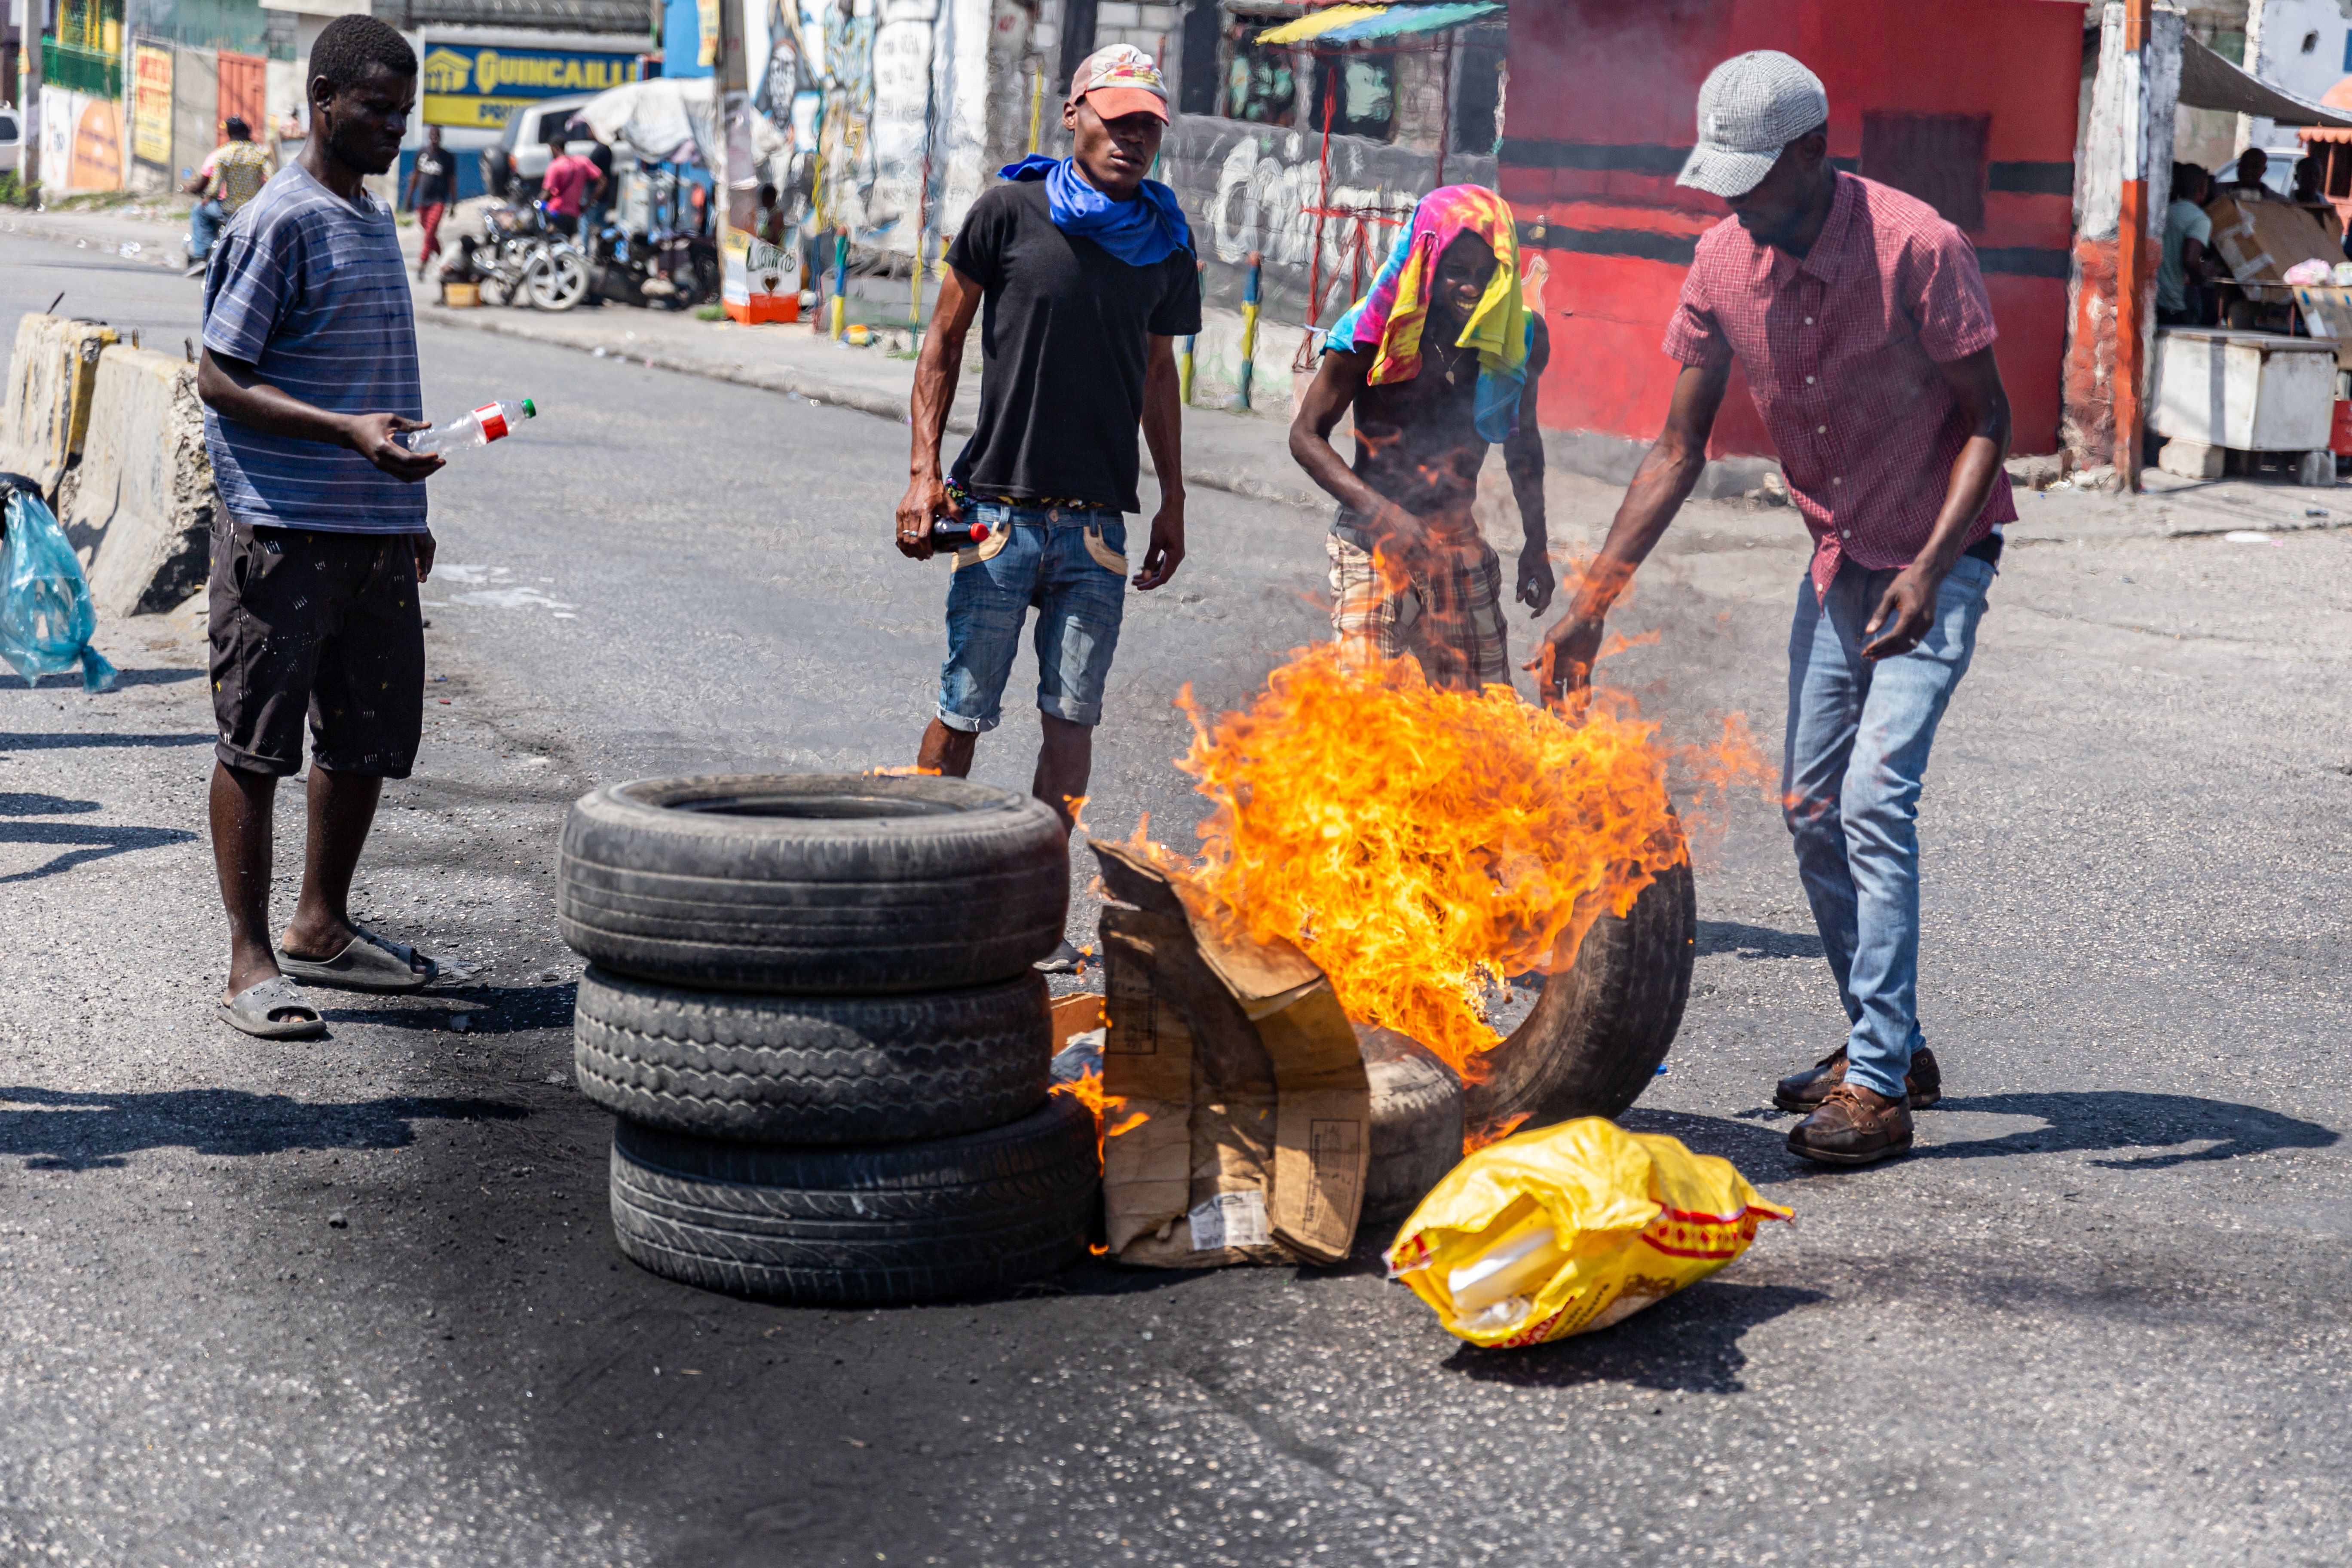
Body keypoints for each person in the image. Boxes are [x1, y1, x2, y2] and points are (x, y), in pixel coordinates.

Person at [1528, 51, 2013, 1167]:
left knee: (1875, 802)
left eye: (1755, 182)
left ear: (1814, 152)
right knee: (1809, 807)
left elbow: (1990, 422)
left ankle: (1879, 1089)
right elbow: (1675, 449)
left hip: (1940, 559)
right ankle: (1891, 1043)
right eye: (1725, 184)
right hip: (1841, 562)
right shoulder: (1719, 263)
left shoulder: (1919, 247)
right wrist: (1592, 604)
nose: (1738, 205)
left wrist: (1931, 566)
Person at [893, 43, 1200, 974]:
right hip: (998, 516)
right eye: (1117, 118)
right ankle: (923, 898)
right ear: (1075, 115)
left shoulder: (1164, 241)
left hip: (1097, 530)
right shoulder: (1009, 211)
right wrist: (923, 473)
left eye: (1148, 125)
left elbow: (1158, 375)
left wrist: (1173, 498)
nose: (1133, 138)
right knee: (962, 711)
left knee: (1071, 727)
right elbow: (943, 339)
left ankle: (1027, 916)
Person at [194, 13, 447, 1038]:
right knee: (257, 745)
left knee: (364, 737)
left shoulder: (373, 219)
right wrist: (345, 434)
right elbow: (219, 376)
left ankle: (321, 926)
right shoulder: (279, 220)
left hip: (372, 530)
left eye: (404, 113)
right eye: (377, 108)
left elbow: (383, 382)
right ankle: (249, 961)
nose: (394, 128)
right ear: (322, 101)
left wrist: (407, 510)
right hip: (281, 526)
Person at [1289, 184, 1552, 691]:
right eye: (1457, 271)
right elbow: (1305, 437)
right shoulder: (1372, 329)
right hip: (1372, 538)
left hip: (1457, 541)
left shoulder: (1518, 336)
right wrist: (1385, 514)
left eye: (1487, 274)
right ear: (1427, 264)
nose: (1472, 288)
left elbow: (1524, 445)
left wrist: (1536, 544)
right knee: (1368, 711)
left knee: (1482, 714)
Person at [184, 116, 272, 276]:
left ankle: (201, 256)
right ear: (247, 132)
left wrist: (208, 197)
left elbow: (215, 186)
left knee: (199, 210)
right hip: (254, 208)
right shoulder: (261, 152)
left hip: (229, 210)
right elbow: (272, 178)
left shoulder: (223, 153)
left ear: (229, 133)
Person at [2159, 162, 2221, 328]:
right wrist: (2201, 277)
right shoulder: (2199, 219)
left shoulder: (2165, 212)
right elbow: (2191, 261)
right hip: (2173, 303)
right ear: (2202, 189)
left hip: (2155, 299)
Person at [401, 124, 455, 280]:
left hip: (438, 201)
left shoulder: (447, 158)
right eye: (433, 136)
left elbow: (452, 181)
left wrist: (454, 203)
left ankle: (422, 264)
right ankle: (442, 257)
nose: (435, 139)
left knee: (430, 231)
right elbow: (415, 177)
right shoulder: (422, 154)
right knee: (428, 233)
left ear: (441, 138)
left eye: (437, 136)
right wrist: (409, 198)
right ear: (429, 137)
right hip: (423, 201)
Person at [540, 130, 598, 241]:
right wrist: (588, 204)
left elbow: (547, 192)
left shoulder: (555, 166)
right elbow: (603, 182)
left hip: (556, 213)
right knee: (567, 243)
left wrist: (537, 204)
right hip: (573, 215)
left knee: (553, 244)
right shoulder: (581, 162)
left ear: (555, 148)